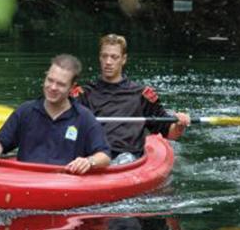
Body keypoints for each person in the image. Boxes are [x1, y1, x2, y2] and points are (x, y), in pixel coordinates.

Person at [0, 54, 112, 174]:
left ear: (72, 87)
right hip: (24, 180)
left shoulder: (84, 118)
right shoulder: (25, 111)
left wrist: (89, 161)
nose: (53, 87)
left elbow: (104, 156)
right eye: (50, 80)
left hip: (65, 183)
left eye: (60, 84)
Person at [72, 34, 190, 165]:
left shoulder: (141, 94)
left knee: (125, 159)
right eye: (104, 56)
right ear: (99, 57)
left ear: (123, 59)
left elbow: (169, 133)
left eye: (114, 57)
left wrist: (179, 124)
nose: (108, 62)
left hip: (128, 160)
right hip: (92, 158)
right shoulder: (84, 94)